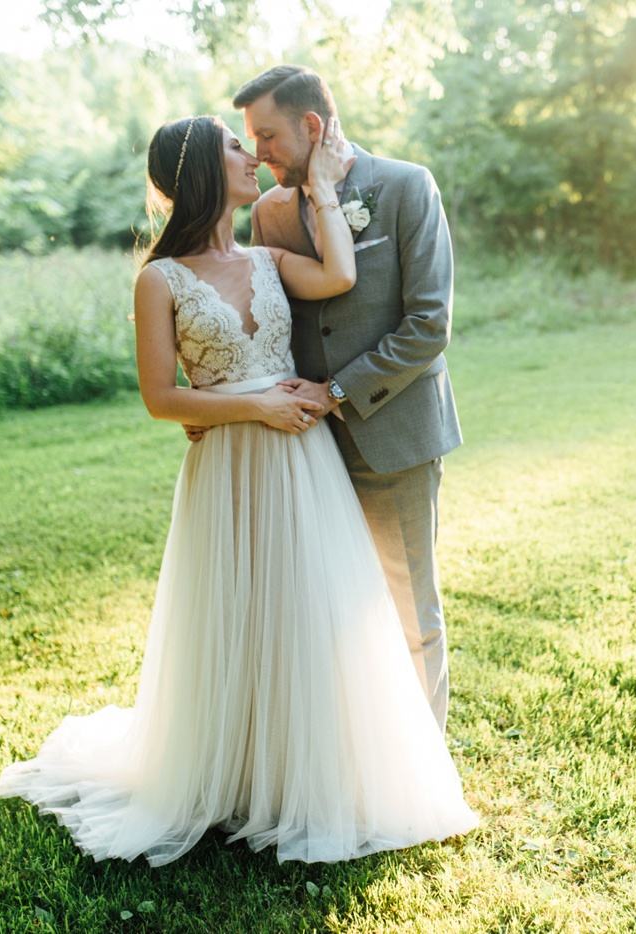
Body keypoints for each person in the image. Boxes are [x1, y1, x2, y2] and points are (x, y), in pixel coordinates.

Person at [0, 113, 478, 866]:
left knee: (305, 611)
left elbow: (342, 276)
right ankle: (233, 769)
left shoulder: (269, 257)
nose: (251, 156)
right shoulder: (159, 279)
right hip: (230, 462)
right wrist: (256, 404)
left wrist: (318, 186)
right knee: (237, 611)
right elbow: (160, 397)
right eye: (234, 146)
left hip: (301, 461)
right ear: (199, 174)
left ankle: (304, 769)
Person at [185, 66, 461, 733]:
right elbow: (260, 313)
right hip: (302, 449)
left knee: (407, 606)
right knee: (329, 608)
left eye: (269, 135)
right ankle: (353, 746)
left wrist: (336, 391)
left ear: (312, 126)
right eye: (250, 140)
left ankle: (423, 757)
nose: (258, 154)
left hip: (391, 432)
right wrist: (219, 397)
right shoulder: (271, 212)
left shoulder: (404, 186)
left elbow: (428, 325)